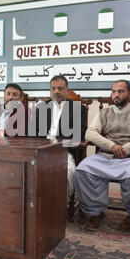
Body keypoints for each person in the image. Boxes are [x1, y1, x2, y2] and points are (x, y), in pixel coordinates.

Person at [73, 80, 130, 232]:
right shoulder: (103, 113)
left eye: (120, 91)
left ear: (129, 94)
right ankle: (95, 212)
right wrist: (112, 146)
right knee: (82, 171)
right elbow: (90, 133)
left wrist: (125, 149)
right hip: (104, 156)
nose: (116, 95)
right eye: (114, 91)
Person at [33, 75, 87, 204]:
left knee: (65, 172)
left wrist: (57, 145)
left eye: (60, 88)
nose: (56, 91)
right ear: (50, 91)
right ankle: (36, 204)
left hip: (63, 151)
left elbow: (79, 135)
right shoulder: (41, 108)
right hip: (40, 151)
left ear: (66, 90)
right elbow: (32, 134)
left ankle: (59, 206)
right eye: (53, 88)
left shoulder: (78, 109)